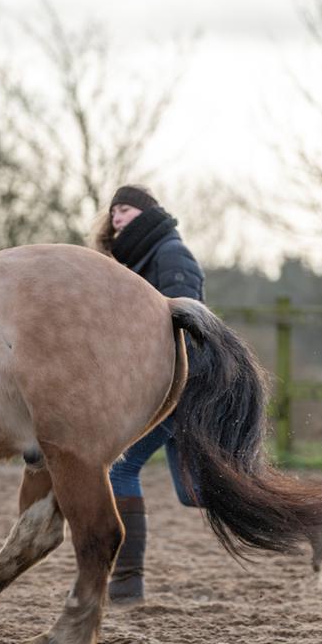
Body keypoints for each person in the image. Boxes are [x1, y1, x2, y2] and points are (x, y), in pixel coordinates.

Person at [92, 184, 205, 605]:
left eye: (125, 209)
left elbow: (189, 320)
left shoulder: (171, 254)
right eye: (114, 211)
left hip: (179, 387)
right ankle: (311, 518)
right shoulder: (138, 259)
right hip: (164, 385)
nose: (117, 217)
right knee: (196, 494)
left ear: (147, 212)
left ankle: (126, 584)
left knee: (119, 467)